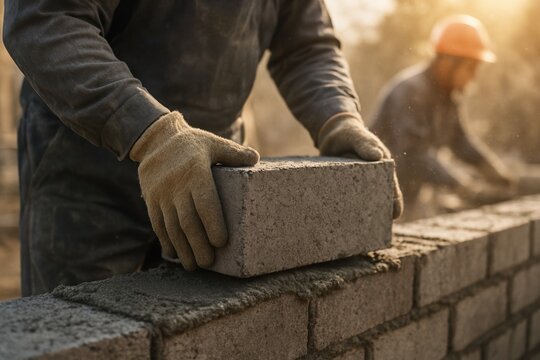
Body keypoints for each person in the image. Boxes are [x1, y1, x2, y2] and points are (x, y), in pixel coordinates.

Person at [3, 1, 402, 296]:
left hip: (210, 185)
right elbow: (48, 19)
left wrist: (337, 117)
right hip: (87, 178)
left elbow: (306, 46)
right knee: (85, 332)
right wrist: (152, 134)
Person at [371, 15, 513, 217]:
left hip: (408, 196)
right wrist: (463, 185)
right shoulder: (410, 92)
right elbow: (414, 155)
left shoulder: (447, 97)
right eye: (471, 68)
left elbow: (461, 141)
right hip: (379, 197)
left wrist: (494, 170)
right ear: (448, 62)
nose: (474, 77)